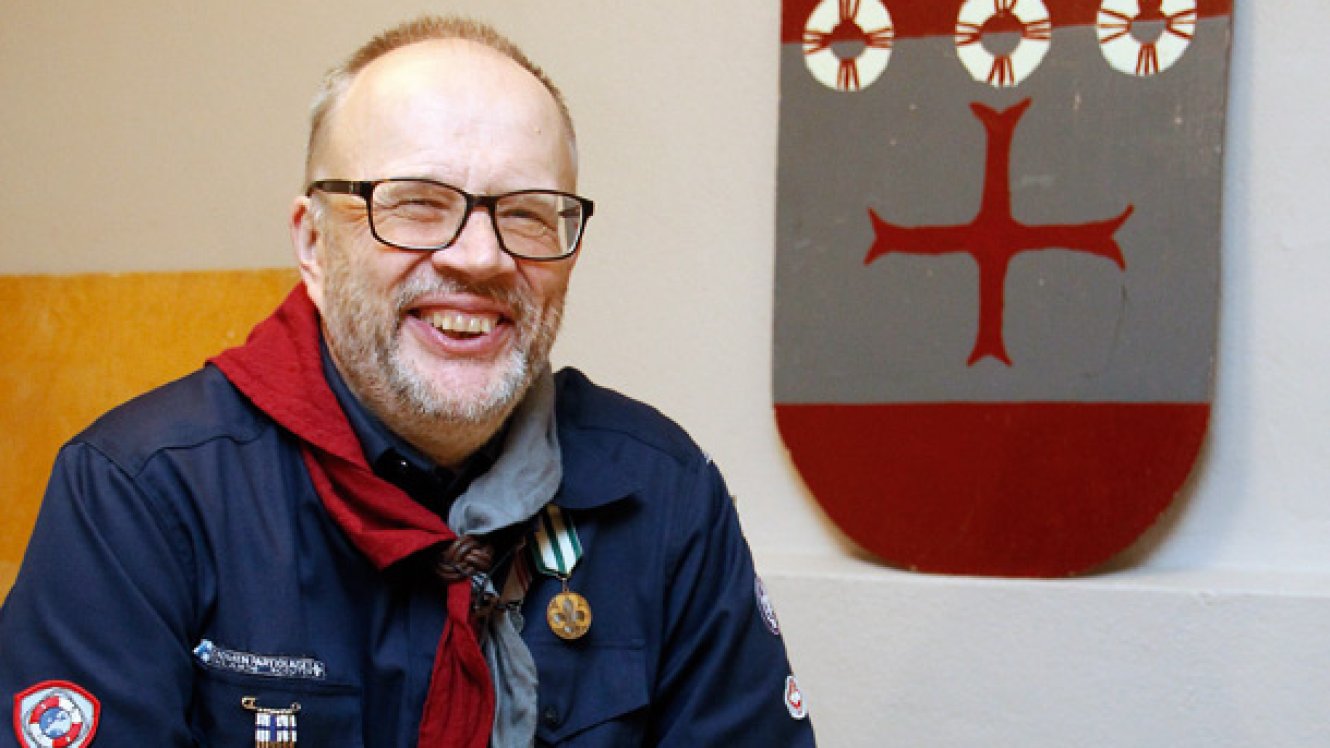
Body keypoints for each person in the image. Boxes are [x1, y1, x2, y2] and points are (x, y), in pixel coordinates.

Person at [0, 14, 815, 748]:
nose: (481, 257)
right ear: (314, 245)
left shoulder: (663, 495)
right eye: (417, 204)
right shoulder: (142, 494)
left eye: (527, 212)